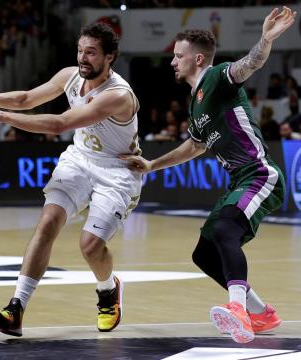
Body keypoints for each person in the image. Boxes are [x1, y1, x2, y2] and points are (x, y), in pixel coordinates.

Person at [123, 7, 296, 344]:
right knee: (204, 253)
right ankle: (261, 313)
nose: (172, 61)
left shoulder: (217, 77)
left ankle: (238, 309)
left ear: (198, 59)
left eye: (178, 55)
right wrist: (152, 165)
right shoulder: (195, 104)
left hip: (259, 174)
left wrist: (265, 40)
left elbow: (250, 64)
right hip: (239, 181)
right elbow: (194, 147)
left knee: (224, 228)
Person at [0, 23, 141, 335]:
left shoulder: (118, 96)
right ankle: (16, 308)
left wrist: (4, 118)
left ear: (110, 57)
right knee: (48, 222)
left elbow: (60, 124)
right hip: (80, 158)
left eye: (91, 53)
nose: (82, 58)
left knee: (89, 246)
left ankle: (108, 290)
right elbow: (26, 99)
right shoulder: (70, 75)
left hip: (117, 172)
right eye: (79, 50)